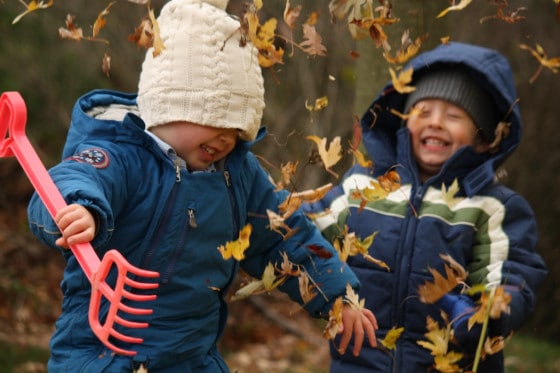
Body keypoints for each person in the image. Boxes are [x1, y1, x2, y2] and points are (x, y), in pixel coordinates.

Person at [26, 0, 378, 371]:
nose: (226, 139)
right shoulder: (120, 154)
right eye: (213, 119)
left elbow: (283, 235)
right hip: (103, 353)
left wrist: (338, 294)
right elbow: (69, 180)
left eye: (237, 128)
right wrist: (81, 209)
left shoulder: (238, 173)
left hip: (192, 356)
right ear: (167, 107)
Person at [304, 42, 547, 372]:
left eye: (453, 116)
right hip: (361, 362)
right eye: (423, 111)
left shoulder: (491, 206)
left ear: (482, 137)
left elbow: (510, 275)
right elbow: (309, 231)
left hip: (447, 363)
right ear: (404, 122)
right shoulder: (364, 186)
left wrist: (485, 313)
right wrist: (277, 219)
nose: (435, 122)